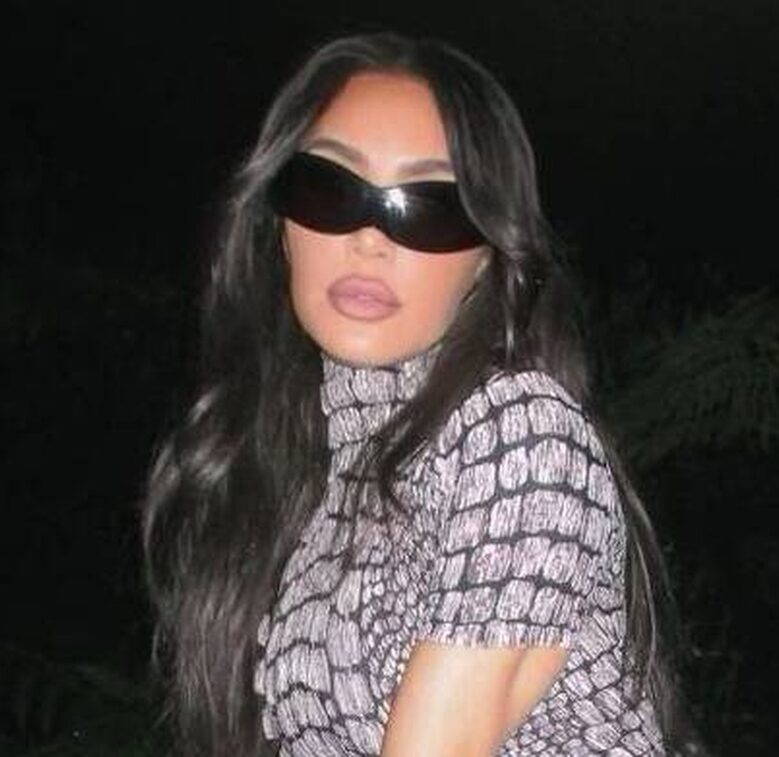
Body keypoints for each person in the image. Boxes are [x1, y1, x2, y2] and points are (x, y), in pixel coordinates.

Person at [142, 32, 699, 756]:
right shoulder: (310, 476)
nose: (370, 238)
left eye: (429, 206)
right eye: (329, 189)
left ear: (487, 258)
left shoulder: (519, 436)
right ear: (280, 225)